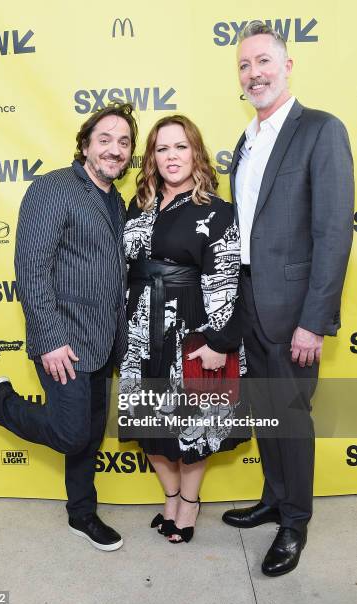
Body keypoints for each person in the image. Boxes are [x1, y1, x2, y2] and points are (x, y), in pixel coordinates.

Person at [0, 103, 138, 552]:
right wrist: (49, 338)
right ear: (85, 144)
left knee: (91, 435)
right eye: (105, 139)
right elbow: (31, 267)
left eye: (123, 143)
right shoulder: (54, 187)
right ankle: (1, 402)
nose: (114, 150)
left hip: (103, 342)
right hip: (65, 339)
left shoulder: (115, 200)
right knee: (71, 433)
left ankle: (81, 514)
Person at [222, 21, 354, 576]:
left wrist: (313, 321)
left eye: (264, 62)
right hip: (249, 296)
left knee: (292, 417)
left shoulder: (321, 130)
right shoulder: (245, 140)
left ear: (287, 65)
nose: (255, 73)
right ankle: (274, 498)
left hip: (294, 307)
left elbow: (333, 232)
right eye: (245, 66)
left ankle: (295, 522)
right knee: (262, 408)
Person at [119, 115, 248, 543]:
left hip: (190, 328)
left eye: (179, 147)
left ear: (195, 152)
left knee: (191, 425)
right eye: (161, 148)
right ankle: (170, 496)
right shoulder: (137, 204)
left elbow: (228, 279)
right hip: (141, 327)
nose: (171, 156)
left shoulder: (217, 210)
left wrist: (218, 341)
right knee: (151, 425)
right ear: (151, 157)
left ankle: (189, 506)